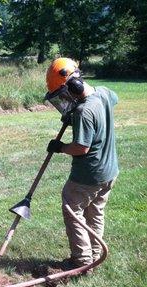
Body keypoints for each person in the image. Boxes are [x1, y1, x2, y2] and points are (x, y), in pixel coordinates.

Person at [45, 57, 119, 269]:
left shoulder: (83, 112)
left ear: (73, 87)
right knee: (95, 211)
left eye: (64, 94)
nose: (64, 99)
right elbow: (113, 99)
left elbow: (81, 148)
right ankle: (95, 256)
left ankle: (82, 261)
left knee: (72, 209)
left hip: (89, 174)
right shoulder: (103, 93)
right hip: (109, 171)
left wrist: (60, 147)